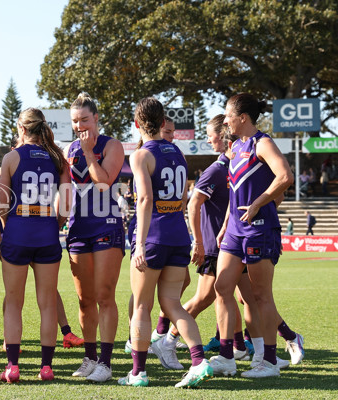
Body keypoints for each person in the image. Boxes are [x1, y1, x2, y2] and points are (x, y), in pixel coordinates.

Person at [118, 97, 212, 389]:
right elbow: (182, 197)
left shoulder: (141, 154)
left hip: (155, 236)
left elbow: (145, 199)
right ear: (162, 123)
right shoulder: (179, 153)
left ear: (137, 123)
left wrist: (141, 244)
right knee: (172, 303)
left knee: (142, 306)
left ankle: (138, 372)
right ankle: (198, 361)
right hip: (177, 235)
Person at [210, 93, 294, 378]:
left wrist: (260, 202)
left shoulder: (263, 143)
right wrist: (224, 227)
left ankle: (269, 361)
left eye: (228, 115)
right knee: (221, 288)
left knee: (260, 295)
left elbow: (285, 177)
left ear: (242, 118)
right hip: (234, 230)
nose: (225, 120)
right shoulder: (236, 145)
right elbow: (235, 191)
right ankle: (225, 356)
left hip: (259, 230)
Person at [0, 108, 71, 382]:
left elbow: (2, 203)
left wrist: (9, 227)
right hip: (47, 232)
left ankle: (13, 366)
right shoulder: (57, 158)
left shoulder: (11, 157)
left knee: (14, 302)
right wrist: (55, 223)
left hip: (18, 230)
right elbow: (67, 204)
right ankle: (46, 367)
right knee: (47, 303)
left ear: (21, 128)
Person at [64, 92, 125, 383]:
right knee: (84, 300)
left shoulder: (111, 145)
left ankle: (106, 362)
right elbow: (64, 192)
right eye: (75, 121)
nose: (79, 126)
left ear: (96, 118)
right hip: (77, 229)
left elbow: (103, 183)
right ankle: (89, 358)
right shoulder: (68, 149)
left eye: (84, 119)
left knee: (104, 295)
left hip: (106, 227)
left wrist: (89, 153)